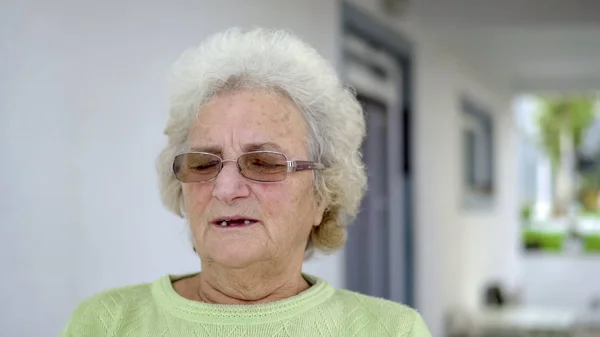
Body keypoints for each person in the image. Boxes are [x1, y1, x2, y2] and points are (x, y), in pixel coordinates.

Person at [61, 27, 431, 337]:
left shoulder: (391, 331)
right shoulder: (106, 323)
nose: (225, 189)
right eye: (204, 164)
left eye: (264, 163)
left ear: (323, 194)